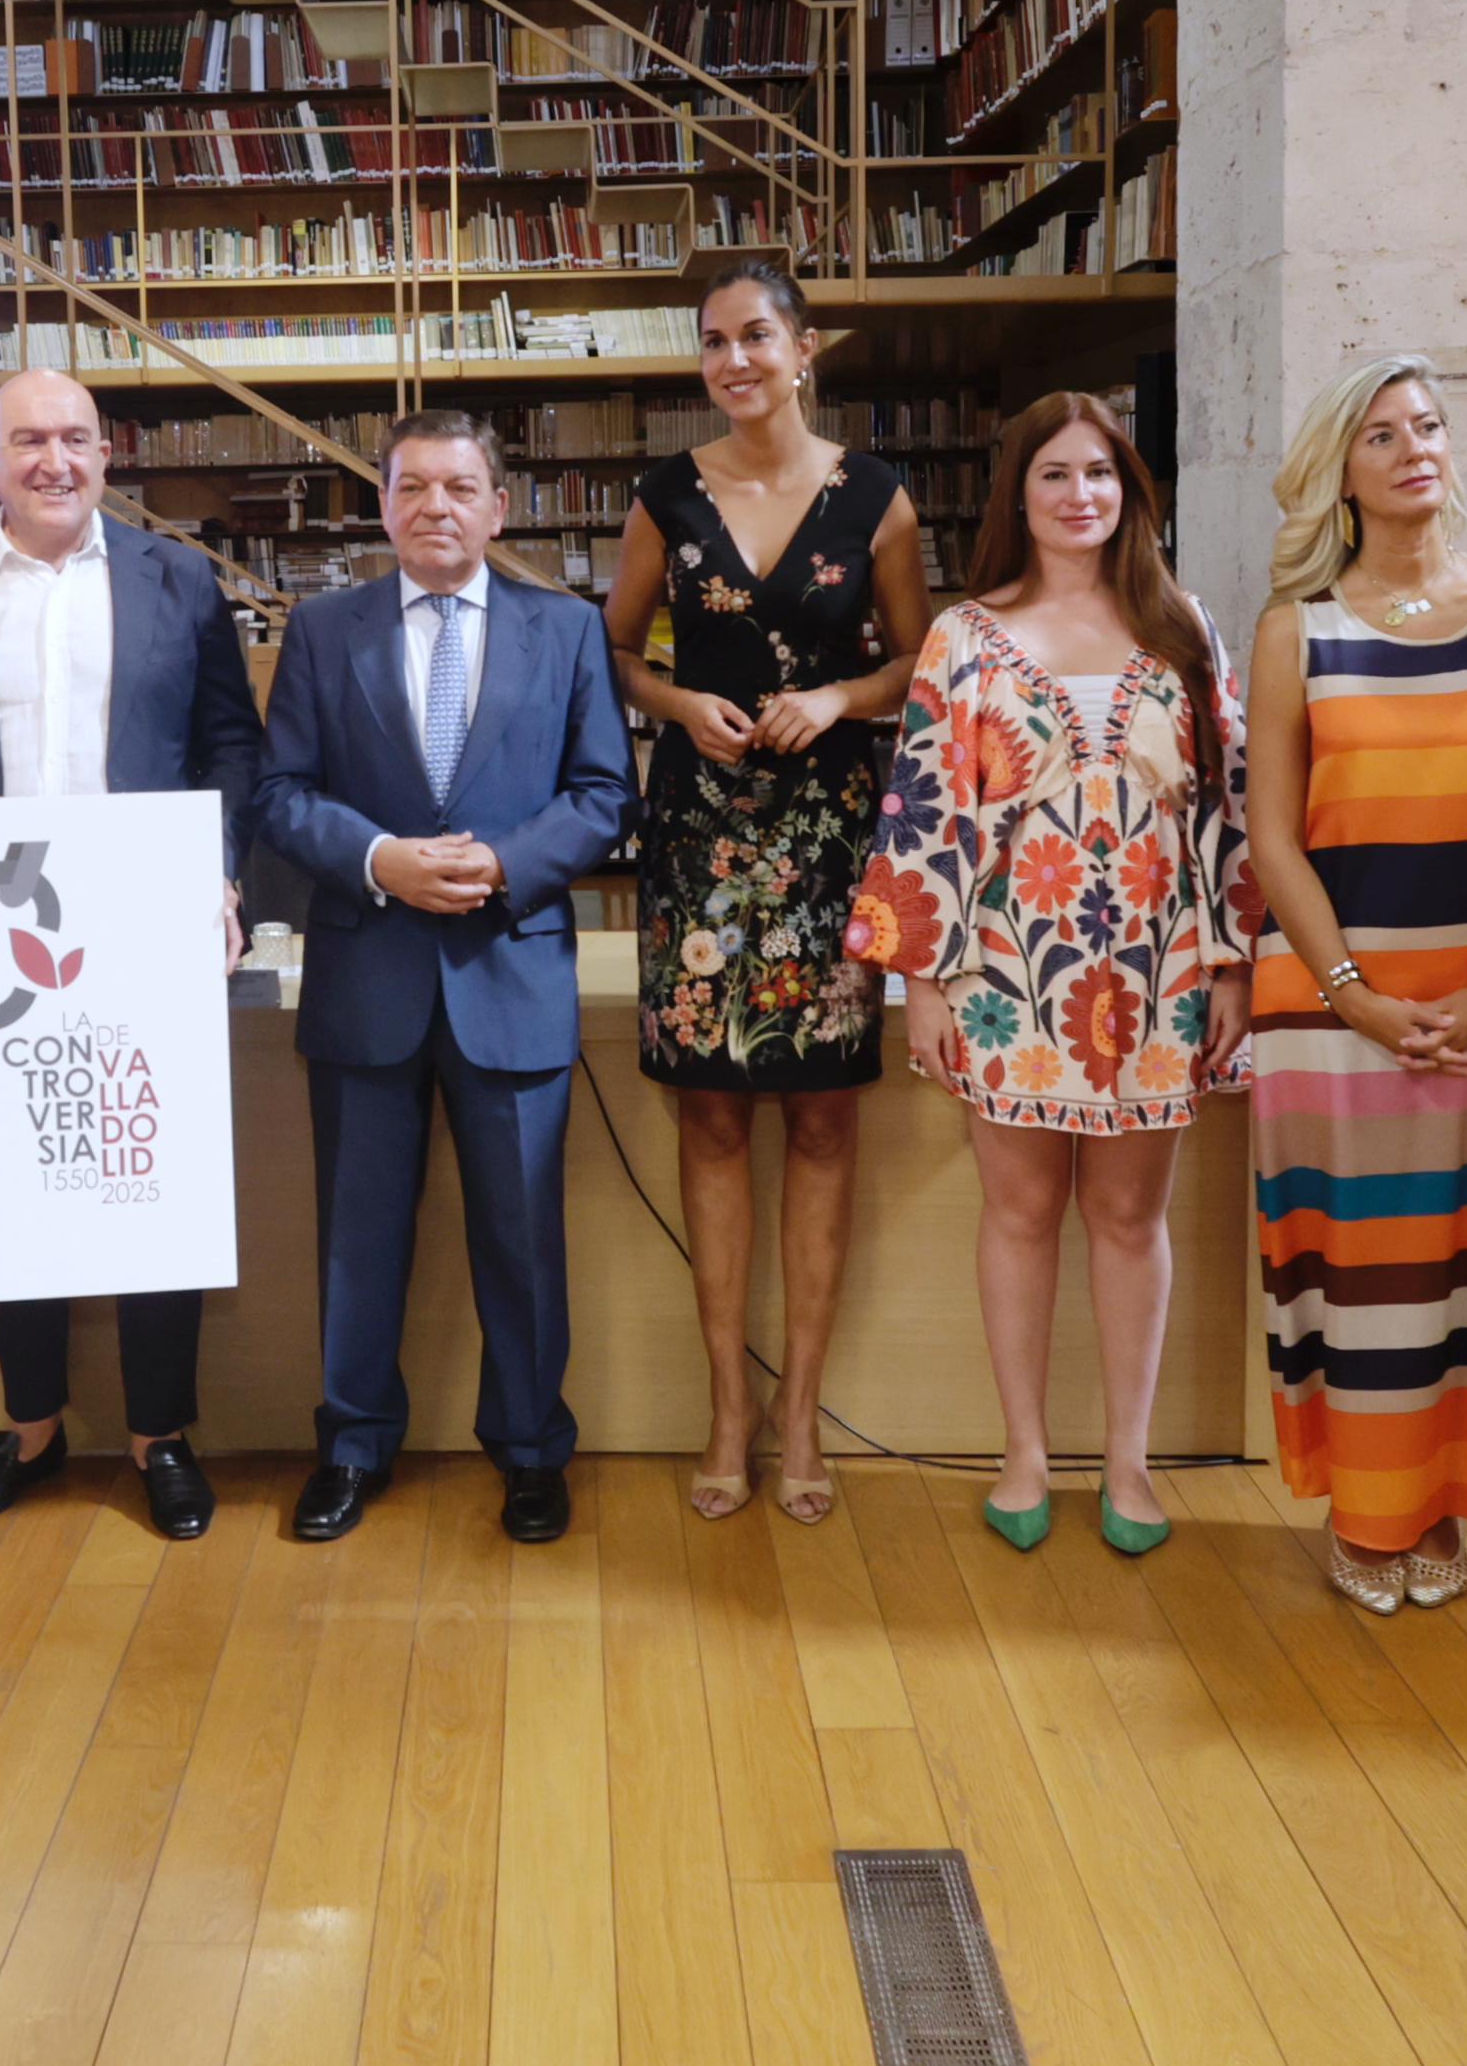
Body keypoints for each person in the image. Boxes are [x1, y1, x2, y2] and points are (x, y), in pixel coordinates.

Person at [0, 366, 264, 1542]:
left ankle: (159, 1435)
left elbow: (227, 747)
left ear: (104, 455)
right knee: (6, 1180)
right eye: (28, 440)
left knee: (146, 1173)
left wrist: (217, 872)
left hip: (143, 922)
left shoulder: (176, 580)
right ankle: (28, 1426)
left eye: (75, 439)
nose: (54, 461)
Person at [850, 390, 1253, 1560]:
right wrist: (921, 984)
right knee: (1020, 1211)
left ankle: (1127, 1458)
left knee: (1129, 1216)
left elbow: (1230, 805)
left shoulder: (1183, 629)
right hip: (1004, 972)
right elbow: (921, 807)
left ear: (1130, 490)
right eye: (1054, 474)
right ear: (1016, 496)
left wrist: (1232, 962)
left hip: (1157, 967)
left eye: (1100, 473)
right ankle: (1021, 1451)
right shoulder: (963, 637)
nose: (1081, 494)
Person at [255, 409, 635, 1545]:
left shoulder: (567, 630)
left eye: (459, 488)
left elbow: (604, 795)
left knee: (522, 1239)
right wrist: (382, 859)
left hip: (508, 974)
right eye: (412, 487)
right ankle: (352, 1445)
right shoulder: (322, 630)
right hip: (366, 977)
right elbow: (280, 796)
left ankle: (530, 1449)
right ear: (382, 506)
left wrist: (503, 865)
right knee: (356, 1237)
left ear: (498, 508)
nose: (435, 508)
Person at [1239, 355, 1467, 1616]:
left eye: (1426, 426)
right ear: (1339, 471)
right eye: (1379, 434)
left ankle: (1440, 1504)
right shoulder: (1296, 629)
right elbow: (1272, 837)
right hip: (1330, 1004)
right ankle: (1365, 1507)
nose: (1412, 449)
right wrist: (1353, 994)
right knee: (1353, 1266)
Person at [602, 259, 928, 1528]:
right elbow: (615, 653)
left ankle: (800, 1416)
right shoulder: (663, 497)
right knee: (711, 1121)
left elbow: (917, 661)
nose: (732, 361)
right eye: (712, 342)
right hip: (698, 834)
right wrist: (680, 701)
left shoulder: (878, 500)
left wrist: (839, 696)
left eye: (754, 336)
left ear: (803, 349)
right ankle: (727, 1409)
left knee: (825, 1123)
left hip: (828, 837)